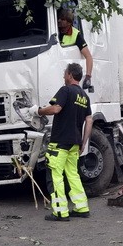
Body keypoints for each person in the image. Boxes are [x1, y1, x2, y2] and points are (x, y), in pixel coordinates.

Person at [37, 62, 94, 222]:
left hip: (60, 143)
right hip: (74, 144)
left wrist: (39, 111)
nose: (64, 76)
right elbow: (89, 121)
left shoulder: (66, 90)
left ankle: (60, 212)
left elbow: (55, 109)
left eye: (65, 73)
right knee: (73, 175)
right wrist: (83, 143)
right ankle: (82, 207)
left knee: (55, 176)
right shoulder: (84, 96)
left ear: (70, 75)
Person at [57, 8, 94, 91]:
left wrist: (88, 77)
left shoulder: (76, 35)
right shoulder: (55, 30)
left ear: (69, 22)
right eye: (59, 18)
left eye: (63, 19)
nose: (59, 21)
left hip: (69, 75)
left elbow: (88, 57)